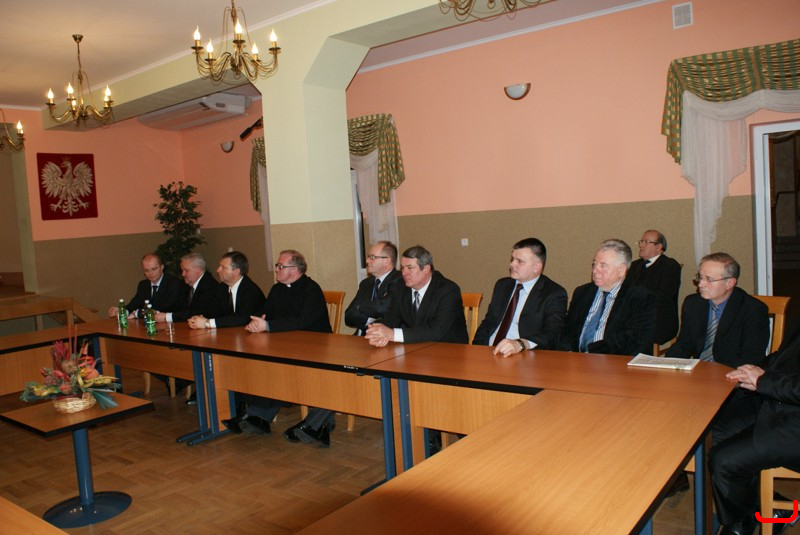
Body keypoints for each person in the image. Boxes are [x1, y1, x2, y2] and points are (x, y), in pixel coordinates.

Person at [222, 250, 333, 444]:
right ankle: (257, 416)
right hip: (285, 345)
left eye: (281, 266)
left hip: (315, 346)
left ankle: (263, 415)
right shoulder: (277, 289)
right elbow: (263, 312)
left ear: (295, 269)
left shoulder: (311, 289)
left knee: (277, 368)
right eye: (277, 266)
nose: (276, 270)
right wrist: (255, 322)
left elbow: (302, 321)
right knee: (261, 364)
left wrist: (268, 326)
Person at [666, 253, 770, 445]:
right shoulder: (693, 303)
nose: (700, 284)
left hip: (734, 386)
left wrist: (710, 377)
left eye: (709, 279)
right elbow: (684, 345)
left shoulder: (753, 310)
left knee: (716, 430)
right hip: (697, 380)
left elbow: (751, 358)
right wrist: (663, 365)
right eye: (700, 277)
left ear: (730, 282)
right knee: (663, 412)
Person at [709, 317, 800, 535]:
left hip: (794, 422)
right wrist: (754, 371)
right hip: (780, 403)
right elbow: (783, 358)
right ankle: (766, 508)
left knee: (723, 460)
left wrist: (762, 381)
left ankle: (741, 524)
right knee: (717, 429)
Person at [560, 239, 656, 356]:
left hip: (614, 361)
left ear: (621, 270)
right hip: (575, 360)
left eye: (603, 266)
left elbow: (634, 341)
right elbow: (566, 330)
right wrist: (568, 353)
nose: (595, 270)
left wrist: (590, 351)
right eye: (594, 264)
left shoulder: (640, 298)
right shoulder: (582, 293)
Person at [472, 237, 567, 355]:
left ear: (536, 267)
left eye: (519, 261)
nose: (512, 264)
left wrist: (521, 344)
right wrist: (476, 349)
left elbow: (552, 334)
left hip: (522, 355)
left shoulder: (553, 293)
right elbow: (488, 322)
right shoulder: (502, 285)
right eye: (512, 259)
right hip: (488, 351)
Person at [365, 245, 468, 347]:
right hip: (416, 347)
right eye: (402, 268)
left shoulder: (448, 290)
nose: (404, 273)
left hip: (449, 349)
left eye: (410, 268)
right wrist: (379, 333)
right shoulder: (400, 287)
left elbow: (436, 331)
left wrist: (392, 334)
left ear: (426, 269)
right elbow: (392, 319)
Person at [627, 230, 681, 346]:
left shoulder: (670, 266)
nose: (641, 245)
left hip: (658, 319)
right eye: (641, 242)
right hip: (634, 317)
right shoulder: (634, 266)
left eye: (646, 242)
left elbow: (663, 296)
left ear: (659, 247)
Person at [187, 251, 266, 329]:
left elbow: (242, 319)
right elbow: (213, 311)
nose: (218, 270)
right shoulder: (222, 287)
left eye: (223, 267)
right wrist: (198, 319)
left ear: (236, 272)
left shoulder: (250, 290)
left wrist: (207, 323)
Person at [344, 241, 403, 336]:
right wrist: (370, 320)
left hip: (384, 339)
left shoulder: (400, 281)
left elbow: (381, 308)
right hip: (359, 338)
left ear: (387, 261)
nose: (367, 261)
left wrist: (359, 308)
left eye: (372, 257)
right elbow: (348, 316)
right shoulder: (366, 283)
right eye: (368, 257)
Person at [108, 253, 188, 319]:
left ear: (162, 268)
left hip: (172, 327)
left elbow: (162, 310)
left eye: (154, 269)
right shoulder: (143, 285)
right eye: (146, 270)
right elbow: (134, 305)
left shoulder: (175, 284)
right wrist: (122, 311)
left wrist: (138, 313)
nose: (150, 273)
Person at [154, 252, 222, 324]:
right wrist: (159, 313)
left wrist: (167, 317)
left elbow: (197, 313)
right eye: (182, 270)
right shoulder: (187, 285)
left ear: (198, 270)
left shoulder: (210, 287)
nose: (183, 274)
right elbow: (179, 307)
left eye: (186, 270)